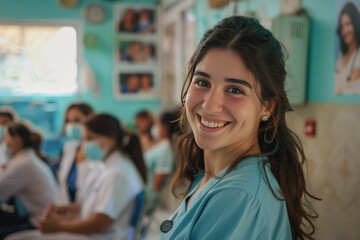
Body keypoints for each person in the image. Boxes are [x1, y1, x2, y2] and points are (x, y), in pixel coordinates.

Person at [160, 16, 319, 240]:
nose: (209, 105)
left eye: (235, 90)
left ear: (268, 106)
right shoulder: (212, 176)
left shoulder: (238, 195)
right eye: (203, 82)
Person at [5, 114, 147, 240]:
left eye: (89, 138)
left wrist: (59, 226)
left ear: (110, 139)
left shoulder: (118, 173)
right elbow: (95, 205)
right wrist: (66, 210)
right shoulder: (105, 167)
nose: (84, 144)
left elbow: (100, 223)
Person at [0, 123, 58, 239]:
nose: (4, 144)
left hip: (38, 221)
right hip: (38, 216)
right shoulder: (26, 159)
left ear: (16, 139)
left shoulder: (23, 164)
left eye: (5, 139)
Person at [57, 102, 94, 205]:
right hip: (69, 209)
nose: (72, 125)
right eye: (68, 121)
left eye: (77, 120)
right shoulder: (69, 147)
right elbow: (63, 184)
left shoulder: (96, 150)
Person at [335, 2, 360, 93]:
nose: (344, 30)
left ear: (356, 24)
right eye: (342, 26)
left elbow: (351, 81)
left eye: (348, 24)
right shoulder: (342, 55)